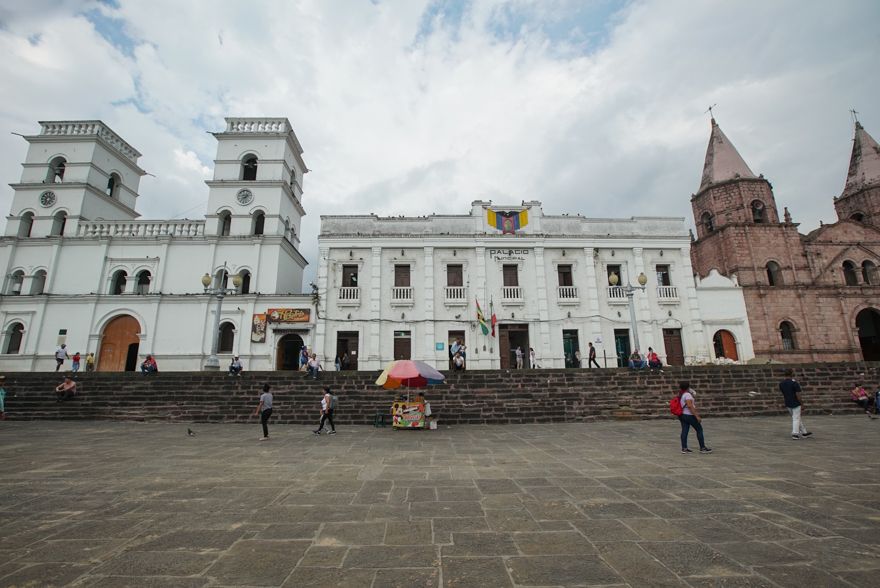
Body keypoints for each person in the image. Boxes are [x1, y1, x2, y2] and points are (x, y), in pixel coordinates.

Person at [677, 381, 712, 454]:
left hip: (683, 415)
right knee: (699, 429)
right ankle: (702, 447)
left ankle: (684, 448)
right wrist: (697, 416)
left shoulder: (682, 394)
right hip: (689, 415)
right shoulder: (687, 395)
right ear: (688, 387)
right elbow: (690, 406)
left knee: (684, 431)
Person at [780, 369, 812, 439]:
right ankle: (795, 433)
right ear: (792, 374)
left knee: (796, 418)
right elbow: (798, 395)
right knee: (796, 418)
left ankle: (804, 432)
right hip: (796, 402)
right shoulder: (794, 383)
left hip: (788, 402)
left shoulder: (781, 384)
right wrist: (802, 403)